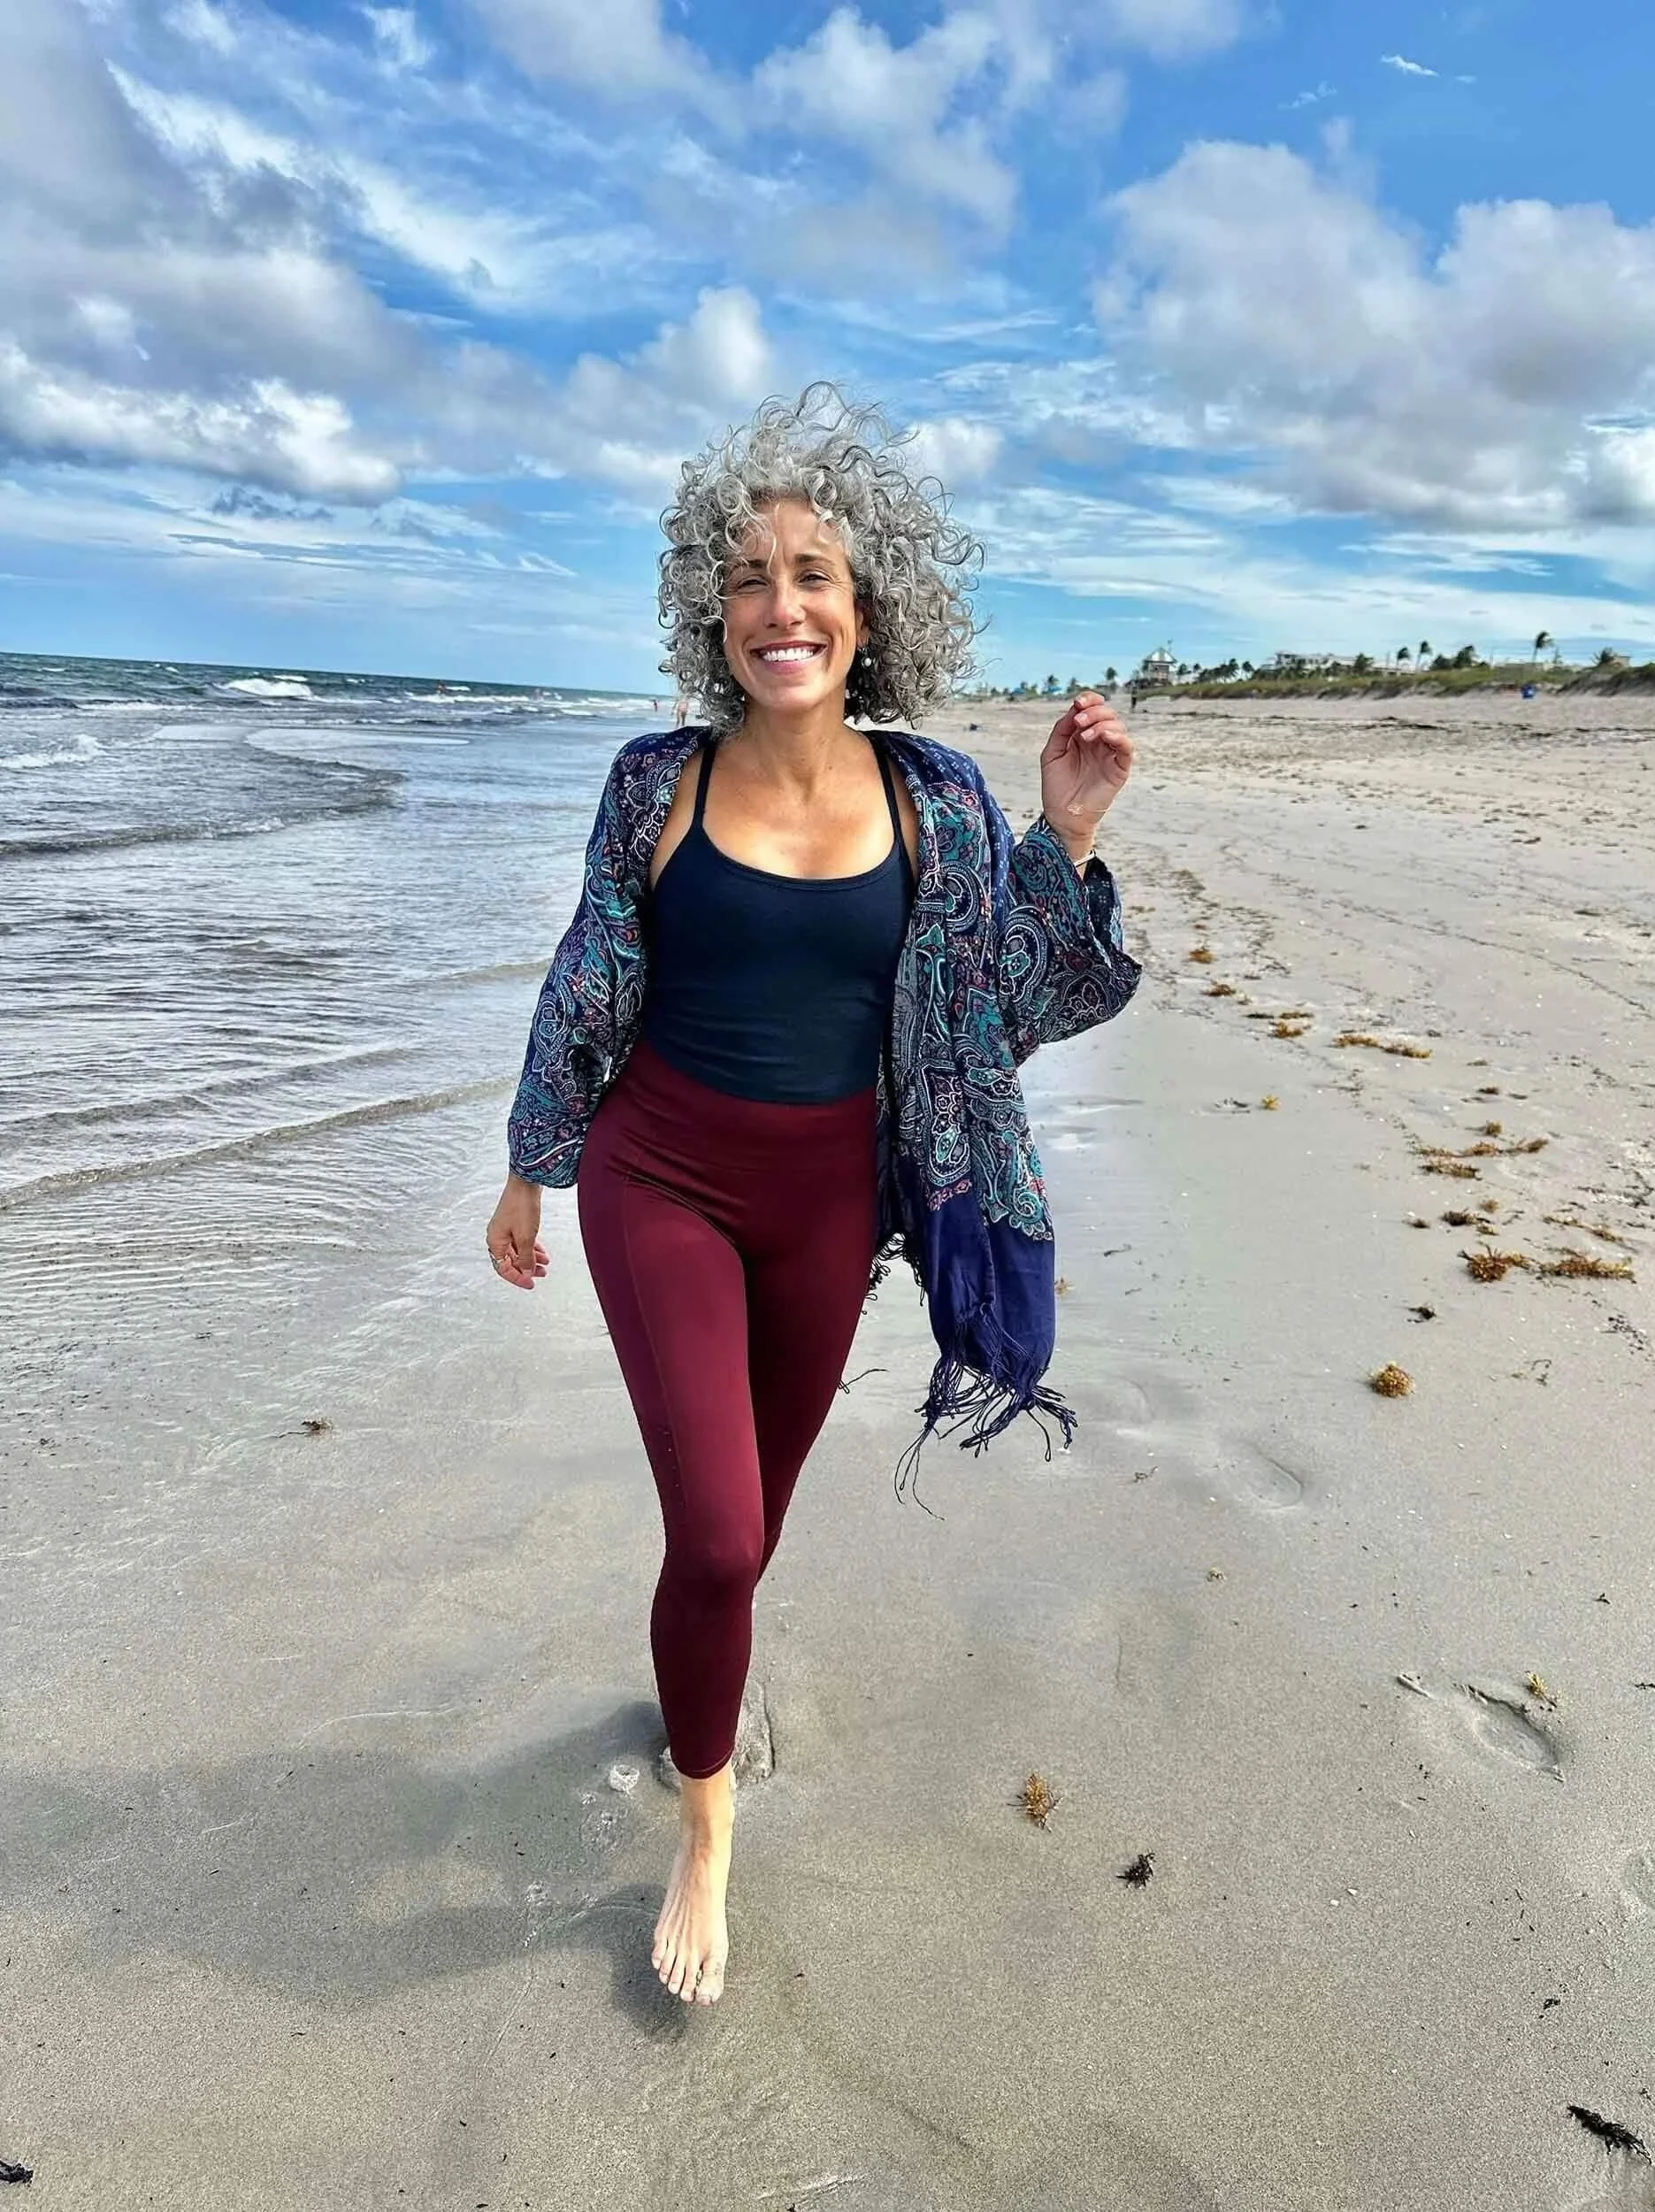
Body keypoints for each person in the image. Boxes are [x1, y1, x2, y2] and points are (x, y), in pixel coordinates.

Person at [485, 385, 1141, 2009]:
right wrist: (529, 1171)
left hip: (828, 1204)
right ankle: (705, 1831)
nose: (784, 604)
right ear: (713, 614)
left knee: (747, 1533)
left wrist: (1060, 836)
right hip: (662, 1177)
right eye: (751, 576)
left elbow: (1012, 1004)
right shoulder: (656, 784)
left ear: (870, 612)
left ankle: (693, 1688)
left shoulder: (936, 802)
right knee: (714, 1531)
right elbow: (586, 989)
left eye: (816, 576)